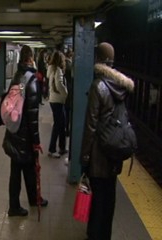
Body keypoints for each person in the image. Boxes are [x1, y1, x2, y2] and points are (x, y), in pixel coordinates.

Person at [80, 42, 134, 240]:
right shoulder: (121, 87)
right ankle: (105, 235)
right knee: (109, 197)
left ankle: (94, 235)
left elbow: (90, 126)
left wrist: (84, 157)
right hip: (114, 152)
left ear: (98, 60)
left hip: (98, 155)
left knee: (96, 198)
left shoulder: (98, 86)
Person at [2, 45, 48, 217]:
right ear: (31, 58)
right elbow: (33, 115)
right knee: (26, 168)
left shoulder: (17, 76)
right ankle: (21, 204)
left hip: (14, 130)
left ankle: (30, 199)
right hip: (25, 135)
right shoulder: (32, 80)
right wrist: (36, 142)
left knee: (20, 169)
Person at [47, 51, 68, 158]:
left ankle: (62, 147)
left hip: (53, 100)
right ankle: (52, 149)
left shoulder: (51, 69)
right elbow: (59, 84)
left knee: (61, 124)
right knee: (58, 125)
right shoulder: (58, 70)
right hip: (58, 101)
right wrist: (66, 94)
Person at [64, 48, 73, 136]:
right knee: (67, 111)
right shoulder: (69, 64)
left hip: (67, 88)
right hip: (68, 89)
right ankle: (67, 129)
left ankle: (67, 128)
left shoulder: (66, 63)